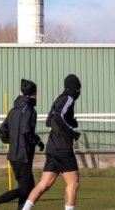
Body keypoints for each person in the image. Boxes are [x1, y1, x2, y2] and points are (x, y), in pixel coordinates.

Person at [22, 74, 82, 210]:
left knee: (44, 184)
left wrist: (71, 121)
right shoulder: (69, 98)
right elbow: (58, 119)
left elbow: (49, 121)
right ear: (75, 88)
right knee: (74, 183)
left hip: (52, 147)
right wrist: (72, 132)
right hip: (63, 148)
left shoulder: (59, 99)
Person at [0, 80, 44, 210]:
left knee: (28, 189)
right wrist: (38, 141)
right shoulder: (29, 110)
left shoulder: (13, 110)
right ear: (33, 93)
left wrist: (13, 142)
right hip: (23, 156)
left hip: (13, 155)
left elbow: (2, 131)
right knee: (24, 190)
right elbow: (26, 130)